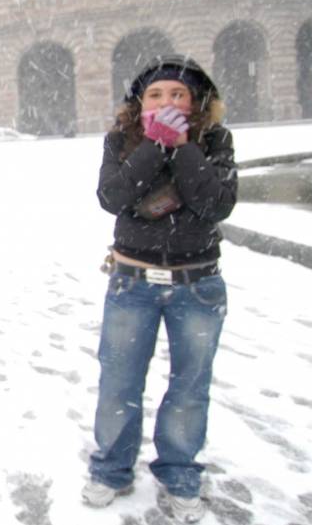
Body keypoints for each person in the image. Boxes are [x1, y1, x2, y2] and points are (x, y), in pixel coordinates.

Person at [83, 55, 237, 523]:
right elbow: (112, 196)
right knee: (119, 383)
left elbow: (216, 202)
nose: (167, 101)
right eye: (156, 94)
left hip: (198, 285)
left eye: (177, 94)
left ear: (195, 102)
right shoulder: (122, 140)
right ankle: (111, 470)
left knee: (190, 387)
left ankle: (180, 474)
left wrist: (185, 147)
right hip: (133, 281)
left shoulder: (214, 140)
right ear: (140, 102)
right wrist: (153, 146)